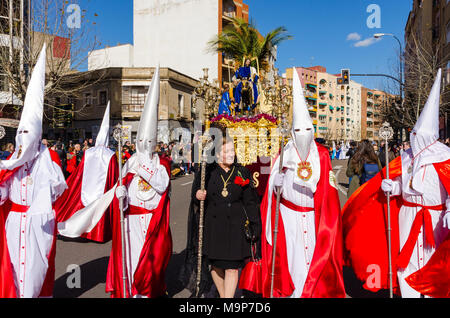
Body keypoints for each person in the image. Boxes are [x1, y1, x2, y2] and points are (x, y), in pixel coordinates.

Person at [342, 69, 450, 298]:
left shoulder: (444, 157)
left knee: (433, 263)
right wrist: (395, 187)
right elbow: (405, 183)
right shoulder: (407, 157)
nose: (415, 136)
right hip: (407, 216)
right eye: (414, 132)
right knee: (406, 260)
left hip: (435, 220)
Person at [242, 69, 345, 298]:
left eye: (307, 130)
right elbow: (270, 194)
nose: (302, 135)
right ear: (291, 132)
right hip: (287, 219)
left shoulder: (322, 156)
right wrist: (274, 185)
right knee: (290, 261)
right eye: (297, 130)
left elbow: (329, 194)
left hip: (312, 217)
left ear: (313, 130)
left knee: (311, 262)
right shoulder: (283, 155)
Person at [0, 46, 67, 298]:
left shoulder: (48, 159)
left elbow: (59, 190)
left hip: (39, 224)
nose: (23, 138)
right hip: (14, 223)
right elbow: (4, 193)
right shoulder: (12, 160)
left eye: (28, 134)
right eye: (20, 133)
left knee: (36, 273)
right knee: (14, 271)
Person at [181, 133, 261, 298]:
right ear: (217, 155)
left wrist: (255, 223)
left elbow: (250, 202)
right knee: (215, 266)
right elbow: (196, 196)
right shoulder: (207, 173)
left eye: (233, 151)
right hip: (214, 227)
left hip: (235, 227)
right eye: (227, 151)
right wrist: (198, 195)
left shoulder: (242, 172)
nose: (231, 154)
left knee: (232, 268)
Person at [55, 103, 119, 243]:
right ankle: (97, 233)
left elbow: (80, 172)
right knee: (100, 208)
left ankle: (79, 229)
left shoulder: (88, 152)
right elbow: (114, 176)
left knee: (82, 208)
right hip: (103, 189)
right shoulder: (110, 155)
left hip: (86, 187)